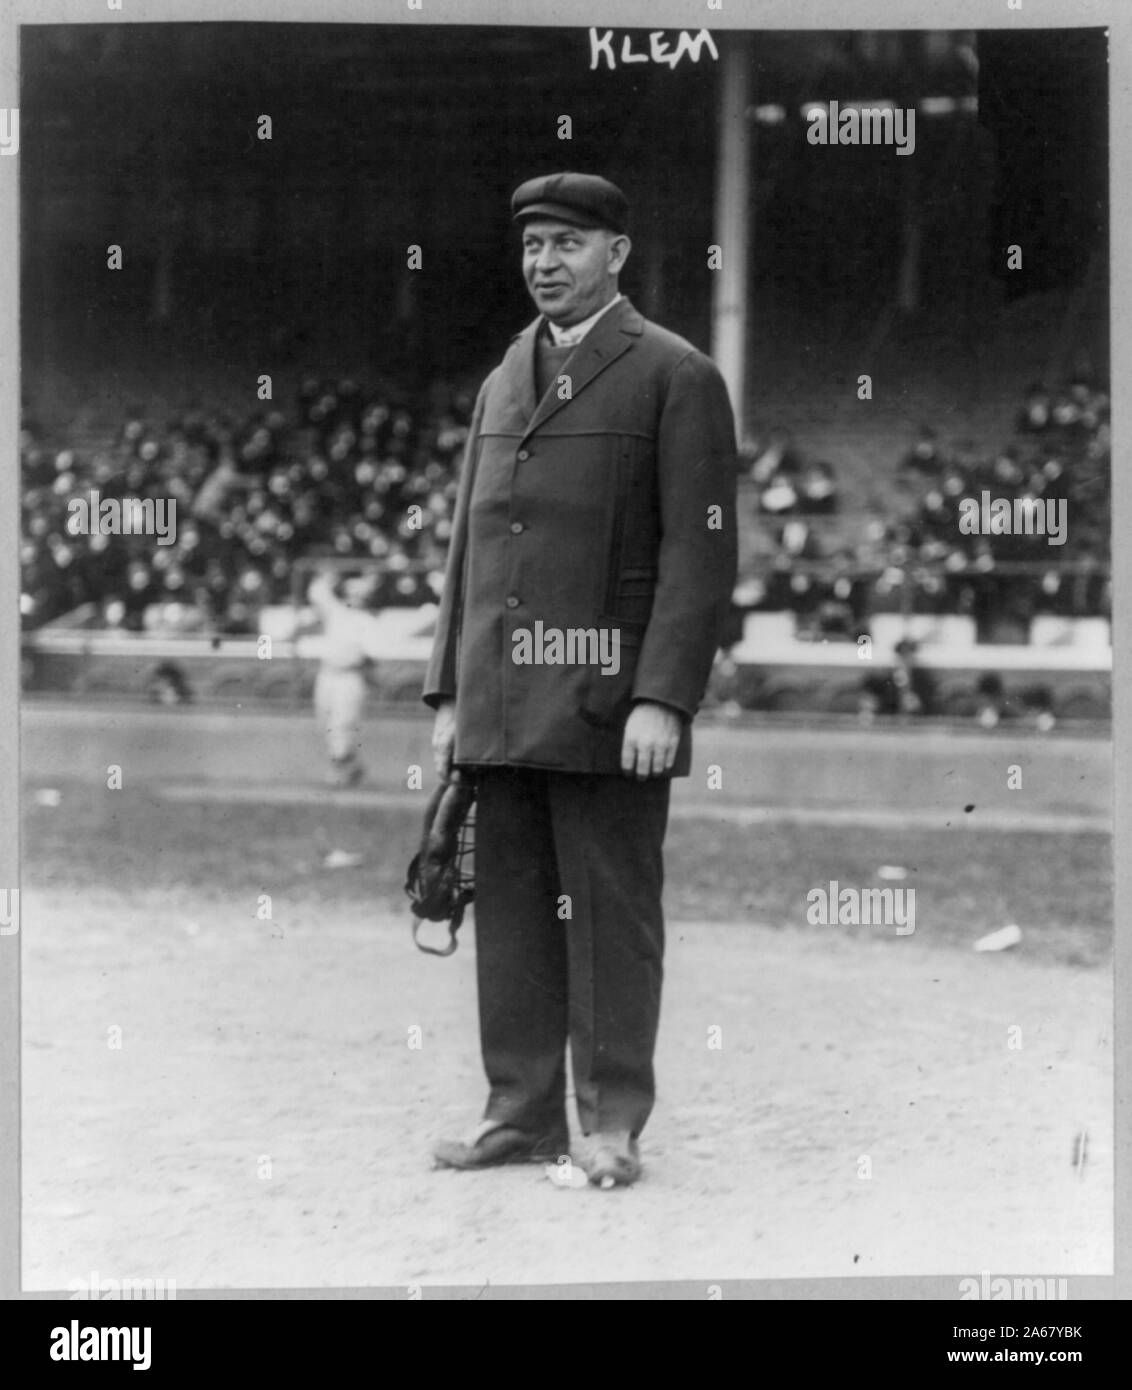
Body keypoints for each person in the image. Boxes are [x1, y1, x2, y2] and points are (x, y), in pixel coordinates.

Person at [423, 172, 738, 1187]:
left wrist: (665, 693)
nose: (545, 263)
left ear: (617, 253)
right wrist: (446, 695)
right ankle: (520, 1112)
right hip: (502, 701)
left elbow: (700, 552)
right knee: (512, 915)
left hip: (607, 701)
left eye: (567, 243)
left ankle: (609, 1126)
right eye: (532, 246)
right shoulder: (501, 376)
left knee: (607, 918)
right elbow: (467, 550)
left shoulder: (673, 374)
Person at [308, 568, 381, 786]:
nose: (355, 598)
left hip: (350, 677)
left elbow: (372, 656)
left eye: (359, 594)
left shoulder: (367, 621)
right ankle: (353, 766)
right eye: (351, 593)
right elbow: (316, 592)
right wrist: (333, 575)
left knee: (342, 725)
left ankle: (337, 775)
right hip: (327, 674)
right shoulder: (336, 612)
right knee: (325, 723)